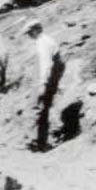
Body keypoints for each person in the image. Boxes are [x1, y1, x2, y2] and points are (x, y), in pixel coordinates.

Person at [21, 18, 65, 152]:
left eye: (29, 33)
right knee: (43, 110)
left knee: (35, 109)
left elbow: (46, 65)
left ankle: (34, 142)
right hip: (47, 80)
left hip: (43, 80)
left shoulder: (43, 43)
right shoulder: (47, 41)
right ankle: (41, 142)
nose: (28, 36)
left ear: (35, 30)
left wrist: (42, 84)